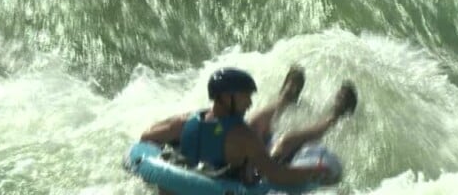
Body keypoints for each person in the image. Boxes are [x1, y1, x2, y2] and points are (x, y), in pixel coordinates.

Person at [139, 67, 357, 186]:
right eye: (245, 97)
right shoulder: (243, 138)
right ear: (227, 97)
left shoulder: (186, 121)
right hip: (231, 178)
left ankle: (285, 99)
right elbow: (277, 175)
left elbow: (147, 137)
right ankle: (333, 117)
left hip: (205, 171)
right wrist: (315, 170)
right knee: (287, 140)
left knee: (253, 122)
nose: (250, 102)